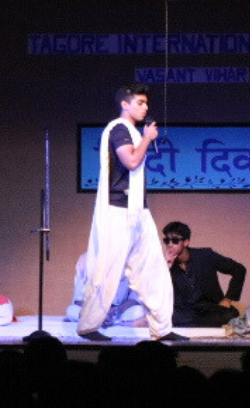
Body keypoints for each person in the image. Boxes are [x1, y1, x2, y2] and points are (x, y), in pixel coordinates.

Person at [77, 83, 186, 341]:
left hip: (139, 211)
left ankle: (162, 328)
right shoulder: (119, 129)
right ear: (125, 104)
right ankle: (88, 326)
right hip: (118, 211)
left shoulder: (133, 133)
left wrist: (144, 138)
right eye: (140, 102)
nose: (145, 107)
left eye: (146, 103)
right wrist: (147, 138)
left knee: (155, 271)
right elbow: (132, 161)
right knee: (107, 270)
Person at [163, 221, 246, 327]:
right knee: (167, 317)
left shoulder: (205, 256)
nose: (169, 245)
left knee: (230, 315)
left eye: (175, 240)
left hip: (209, 309)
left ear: (186, 242)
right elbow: (156, 295)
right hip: (185, 312)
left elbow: (239, 270)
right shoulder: (164, 265)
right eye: (166, 240)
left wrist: (228, 299)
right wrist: (166, 268)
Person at [66, 252, 146, 326]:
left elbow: (134, 299)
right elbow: (79, 300)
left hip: (117, 311)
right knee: (72, 310)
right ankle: (107, 322)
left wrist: (117, 309)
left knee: (138, 311)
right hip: (92, 310)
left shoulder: (130, 265)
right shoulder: (86, 262)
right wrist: (97, 311)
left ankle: (110, 321)